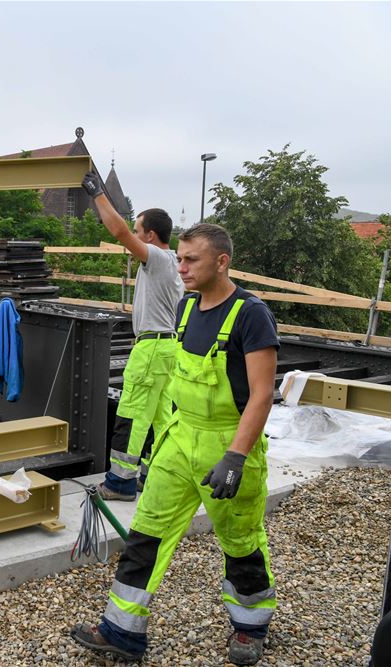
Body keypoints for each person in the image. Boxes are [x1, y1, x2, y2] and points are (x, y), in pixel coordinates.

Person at [71, 223, 280, 666]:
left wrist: (236, 456)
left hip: (226, 445)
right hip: (179, 440)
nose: (180, 267)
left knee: (240, 539)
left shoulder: (250, 315)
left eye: (191, 260)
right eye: (180, 259)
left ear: (221, 262)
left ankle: (250, 625)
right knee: (147, 531)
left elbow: (262, 394)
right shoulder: (186, 310)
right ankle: (121, 631)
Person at [81, 171, 184, 501]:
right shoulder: (173, 263)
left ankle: (120, 482)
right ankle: (153, 476)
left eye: (140, 233)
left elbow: (119, 231)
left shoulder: (156, 259)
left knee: (132, 414)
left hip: (152, 349)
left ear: (151, 236)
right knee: (160, 418)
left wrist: (98, 194)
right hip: (168, 349)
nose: (135, 239)